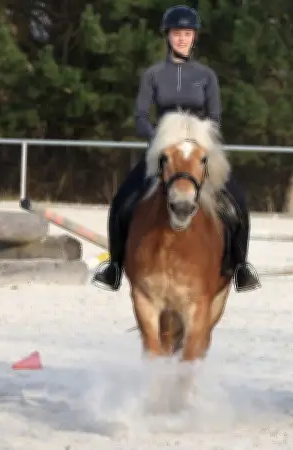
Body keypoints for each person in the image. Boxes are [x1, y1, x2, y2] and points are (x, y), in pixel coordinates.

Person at [91, 5, 260, 293]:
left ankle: (240, 266)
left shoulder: (206, 76)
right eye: (176, 34)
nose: (182, 39)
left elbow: (215, 118)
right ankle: (115, 267)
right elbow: (141, 117)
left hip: (197, 151)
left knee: (237, 201)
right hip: (164, 151)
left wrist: (199, 142)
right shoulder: (153, 75)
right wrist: (159, 140)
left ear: (194, 38)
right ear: (167, 37)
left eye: (187, 34)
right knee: (122, 201)